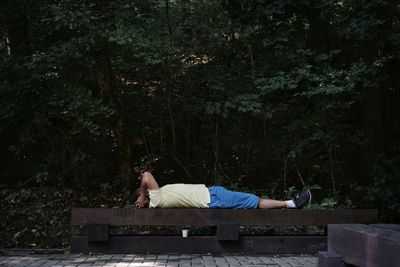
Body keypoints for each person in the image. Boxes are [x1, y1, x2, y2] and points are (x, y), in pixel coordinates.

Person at [134, 171, 311, 209]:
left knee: (251, 200)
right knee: (253, 200)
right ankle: (292, 204)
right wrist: (143, 197)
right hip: (214, 199)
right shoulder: (155, 200)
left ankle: (291, 203)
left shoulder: (159, 194)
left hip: (213, 193)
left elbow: (146, 178)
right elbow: (147, 175)